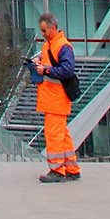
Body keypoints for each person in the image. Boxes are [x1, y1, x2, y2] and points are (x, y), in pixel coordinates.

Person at [30, 11, 81, 182]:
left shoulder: (62, 46)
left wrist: (45, 69)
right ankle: (72, 168)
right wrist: (39, 64)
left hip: (57, 99)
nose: (42, 34)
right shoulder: (49, 45)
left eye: (44, 31)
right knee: (62, 135)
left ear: (53, 28)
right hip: (52, 98)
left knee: (54, 135)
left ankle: (57, 169)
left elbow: (67, 70)